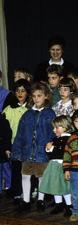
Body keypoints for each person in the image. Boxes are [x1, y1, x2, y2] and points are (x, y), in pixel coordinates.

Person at [11, 82, 56, 212]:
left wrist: (51, 146)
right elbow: (20, 134)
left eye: (39, 96)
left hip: (42, 152)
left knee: (41, 176)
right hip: (27, 151)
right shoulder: (27, 115)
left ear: (46, 96)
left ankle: (40, 200)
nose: (36, 99)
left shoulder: (50, 114)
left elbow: (53, 132)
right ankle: (26, 200)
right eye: (34, 96)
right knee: (25, 175)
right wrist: (17, 151)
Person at [38, 115, 74, 216]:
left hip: (63, 165)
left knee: (64, 186)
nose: (54, 130)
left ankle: (68, 205)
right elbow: (51, 155)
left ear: (65, 126)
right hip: (53, 165)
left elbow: (64, 152)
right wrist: (48, 149)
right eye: (54, 127)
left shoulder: (69, 139)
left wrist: (52, 148)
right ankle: (58, 204)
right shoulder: (55, 139)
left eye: (57, 127)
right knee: (55, 185)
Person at [3, 79, 31, 202]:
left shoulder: (31, 110)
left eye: (23, 91)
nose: (20, 93)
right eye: (17, 91)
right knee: (15, 169)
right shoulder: (9, 109)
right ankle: (17, 193)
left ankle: (29, 193)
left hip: (28, 145)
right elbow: (4, 131)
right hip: (14, 145)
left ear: (27, 93)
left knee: (27, 170)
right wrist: (7, 147)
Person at [0, 113, 12, 195]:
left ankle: (9, 186)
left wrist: (7, 149)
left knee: (5, 168)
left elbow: (8, 135)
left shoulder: (3, 121)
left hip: (2, 149)